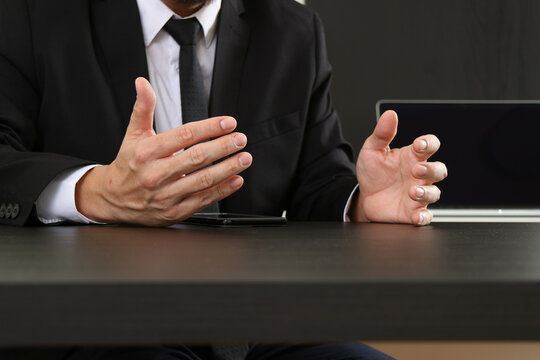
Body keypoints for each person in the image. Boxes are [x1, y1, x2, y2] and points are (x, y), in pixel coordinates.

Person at [0, 0, 447, 358]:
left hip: (259, 324)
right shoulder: (32, 15)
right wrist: (96, 192)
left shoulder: (293, 30)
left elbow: (318, 179)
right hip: (105, 322)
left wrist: (360, 202)